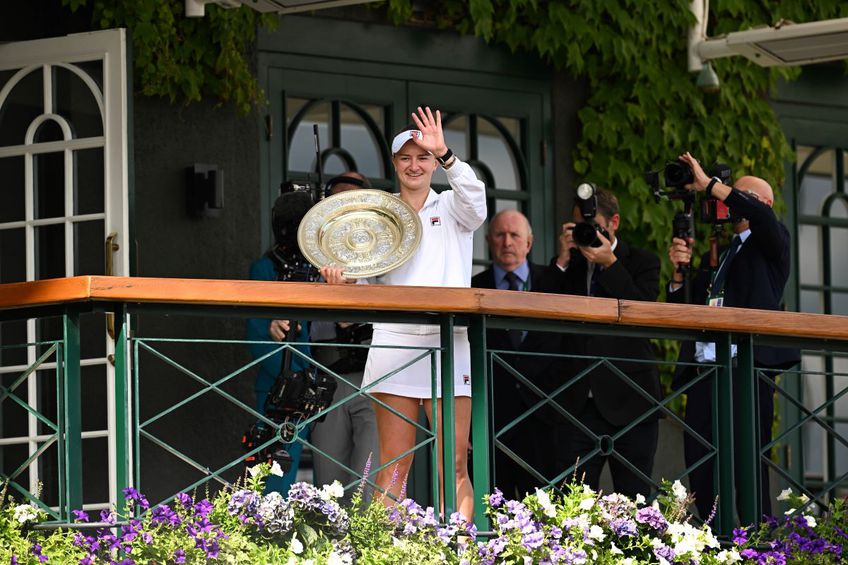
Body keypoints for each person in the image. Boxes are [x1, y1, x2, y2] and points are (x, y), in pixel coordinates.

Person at [321, 106, 486, 521]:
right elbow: (363, 281)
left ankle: (460, 552)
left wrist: (447, 154)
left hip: (449, 345)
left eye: (423, 157)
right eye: (406, 157)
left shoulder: (452, 206)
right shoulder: (377, 215)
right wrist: (343, 284)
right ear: (394, 164)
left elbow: (478, 204)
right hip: (394, 344)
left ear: (433, 163)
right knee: (393, 470)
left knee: (455, 466)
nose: (415, 165)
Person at [667, 152, 799, 519]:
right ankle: (710, 543)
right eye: (727, 192)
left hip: (746, 372)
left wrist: (711, 184)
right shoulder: (724, 253)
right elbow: (686, 308)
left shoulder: (773, 242)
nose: (727, 198)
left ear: (766, 205)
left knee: (748, 465)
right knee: (701, 463)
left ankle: (756, 544)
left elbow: (760, 217)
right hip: (707, 372)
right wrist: (679, 274)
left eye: (738, 194)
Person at [553, 186, 661, 499]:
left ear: (613, 222)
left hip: (631, 399)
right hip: (575, 401)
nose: (587, 233)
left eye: (594, 226)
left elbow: (643, 312)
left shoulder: (643, 261)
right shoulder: (569, 264)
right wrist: (562, 260)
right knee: (570, 502)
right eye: (580, 227)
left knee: (634, 499)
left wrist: (610, 263)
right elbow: (548, 313)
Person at [471, 209, 565, 499]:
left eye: (515, 235)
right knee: (492, 513)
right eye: (500, 235)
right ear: (488, 240)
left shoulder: (554, 281)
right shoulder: (472, 286)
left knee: (546, 515)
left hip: (546, 420)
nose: (507, 242)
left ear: (529, 242)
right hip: (491, 419)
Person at [310, 171, 380, 500]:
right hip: (328, 382)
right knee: (329, 491)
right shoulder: (312, 258)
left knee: (371, 488)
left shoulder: (386, 258)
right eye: (336, 204)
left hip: (376, 380)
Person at [245, 189, 317, 494]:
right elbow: (257, 335)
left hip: (308, 384)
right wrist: (292, 382)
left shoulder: (315, 269)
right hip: (278, 386)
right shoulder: (264, 269)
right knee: (274, 468)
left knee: (304, 465)